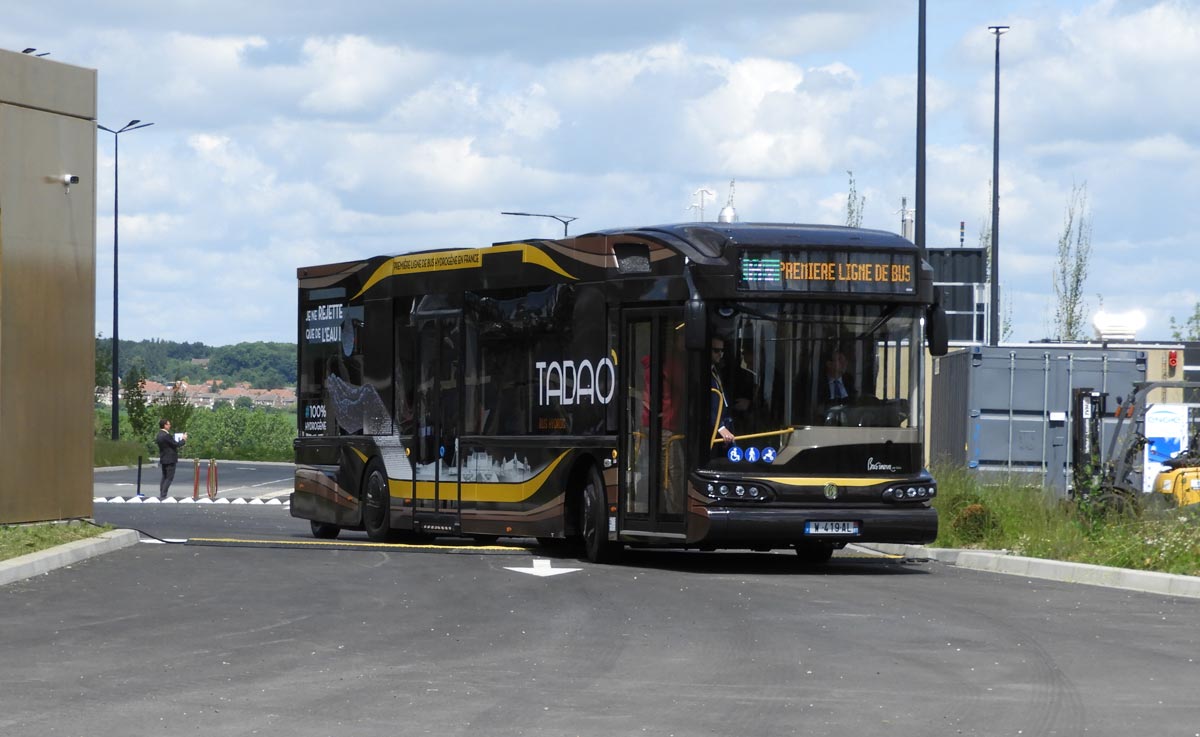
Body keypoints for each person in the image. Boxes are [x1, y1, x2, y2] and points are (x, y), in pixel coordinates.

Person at [710, 338, 736, 450]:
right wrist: (720, 428)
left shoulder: (716, 370)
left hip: (722, 424)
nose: (720, 354)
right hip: (713, 428)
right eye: (716, 350)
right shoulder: (703, 373)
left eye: (722, 351)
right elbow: (703, 403)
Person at [155, 419, 187, 499]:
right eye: (169, 424)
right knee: (169, 477)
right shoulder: (166, 435)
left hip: (163, 457)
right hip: (170, 459)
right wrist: (183, 439)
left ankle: (162, 493)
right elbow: (176, 444)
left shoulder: (159, 435)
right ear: (165, 425)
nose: (170, 426)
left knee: (164, 476)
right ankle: (163, 494)